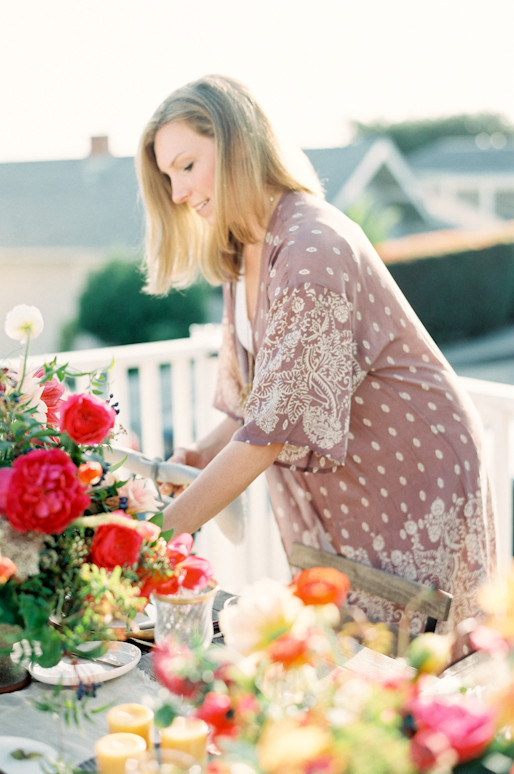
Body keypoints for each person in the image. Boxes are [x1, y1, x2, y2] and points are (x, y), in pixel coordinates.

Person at [136, 74, 497, 654]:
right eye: (168, 177)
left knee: (408, 664)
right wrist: (201, 455)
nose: (178, 193)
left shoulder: (312, 249)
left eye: (186, 165)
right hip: (345, 474)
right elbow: (260, 400)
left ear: (237, 144)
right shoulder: (242, 248)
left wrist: (153, 540)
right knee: (349, 654)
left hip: (411, 468)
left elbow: (269, 431)